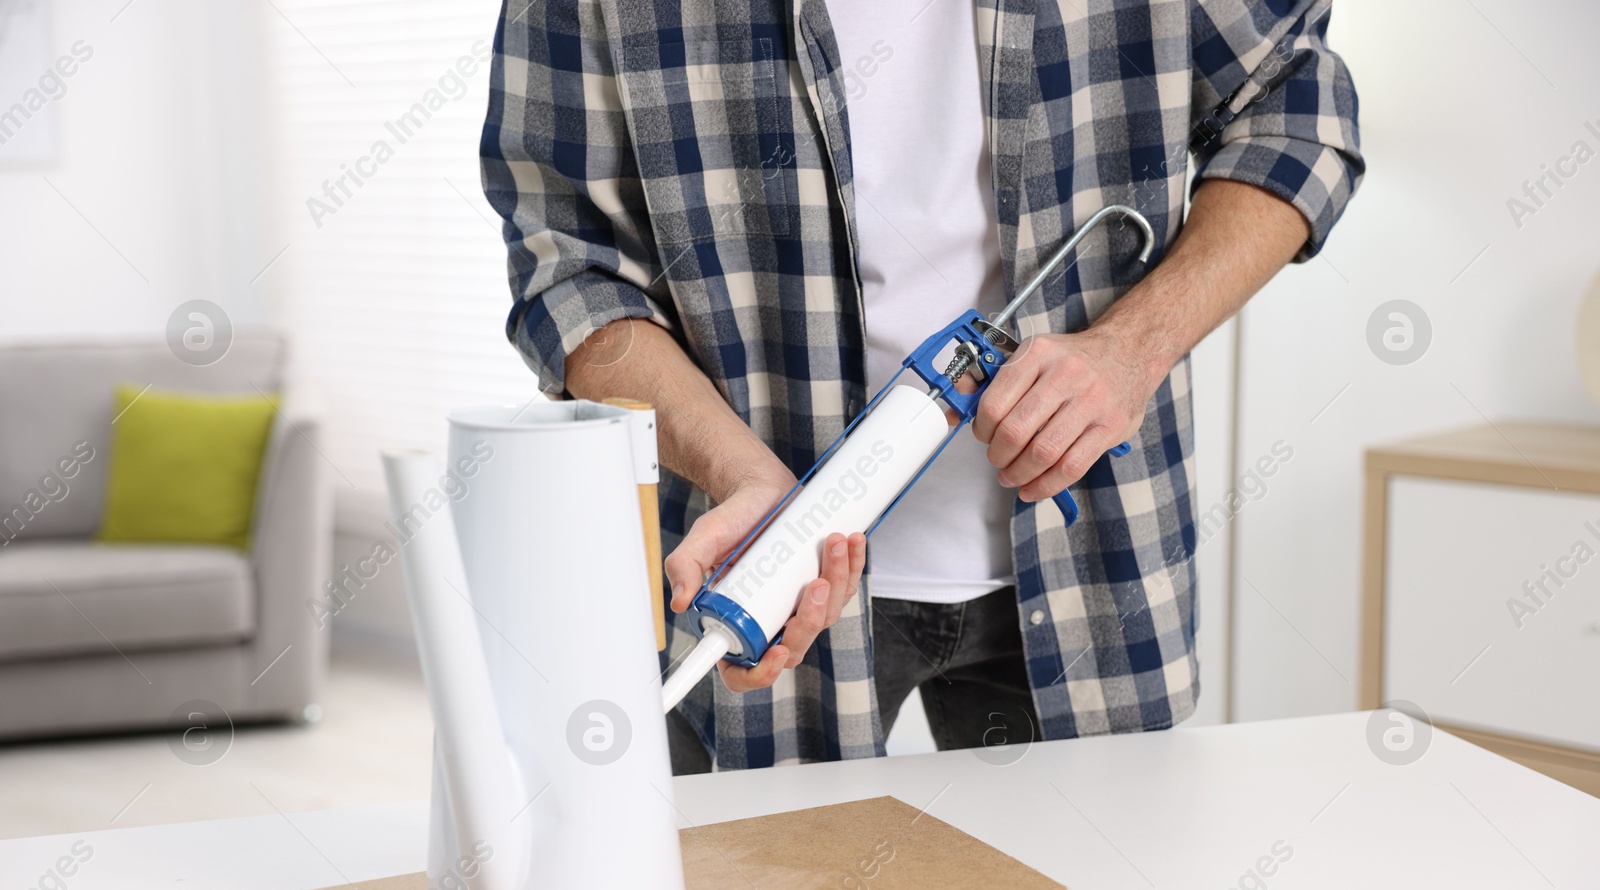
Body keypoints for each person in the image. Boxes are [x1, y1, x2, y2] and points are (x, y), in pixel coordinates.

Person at [480, 0, 1362, 773]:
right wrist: (740, 473)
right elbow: (569, 273)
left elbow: (1298, 113)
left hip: (1092, 561)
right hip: (765, 572)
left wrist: (1137, 345)